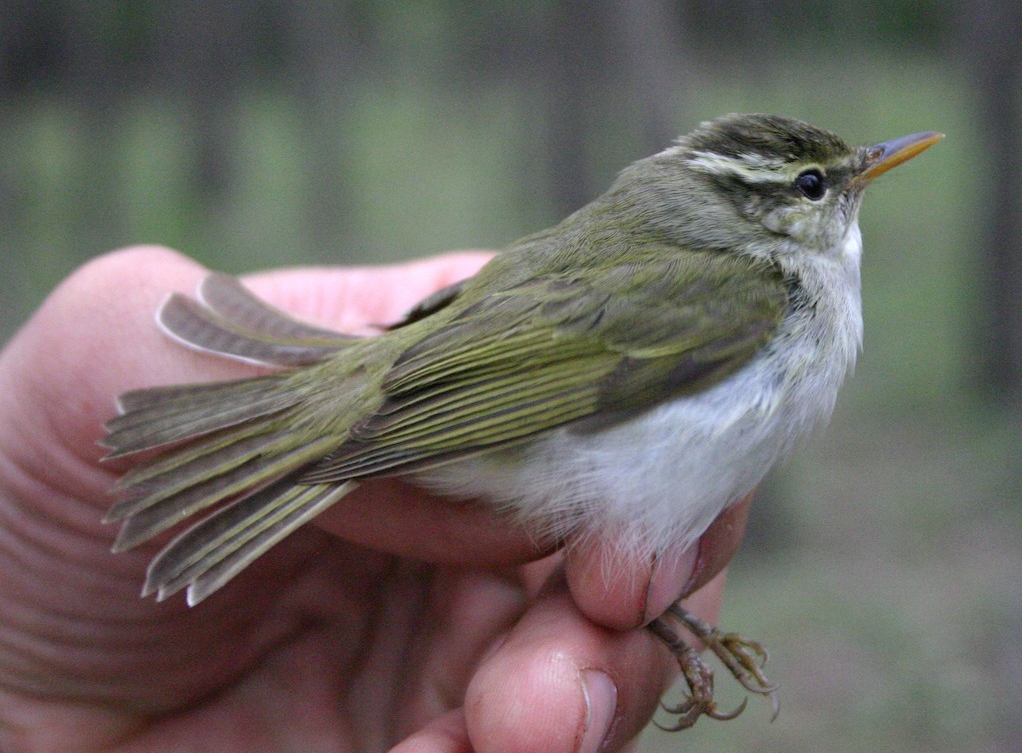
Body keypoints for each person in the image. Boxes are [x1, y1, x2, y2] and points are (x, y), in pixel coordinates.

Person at [0, 246, 753, 753]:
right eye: (814, 185)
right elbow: (552, 380)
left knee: (617, 589)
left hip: (458, 374)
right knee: (615, 580)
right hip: (483, 393)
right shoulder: (736, 288)